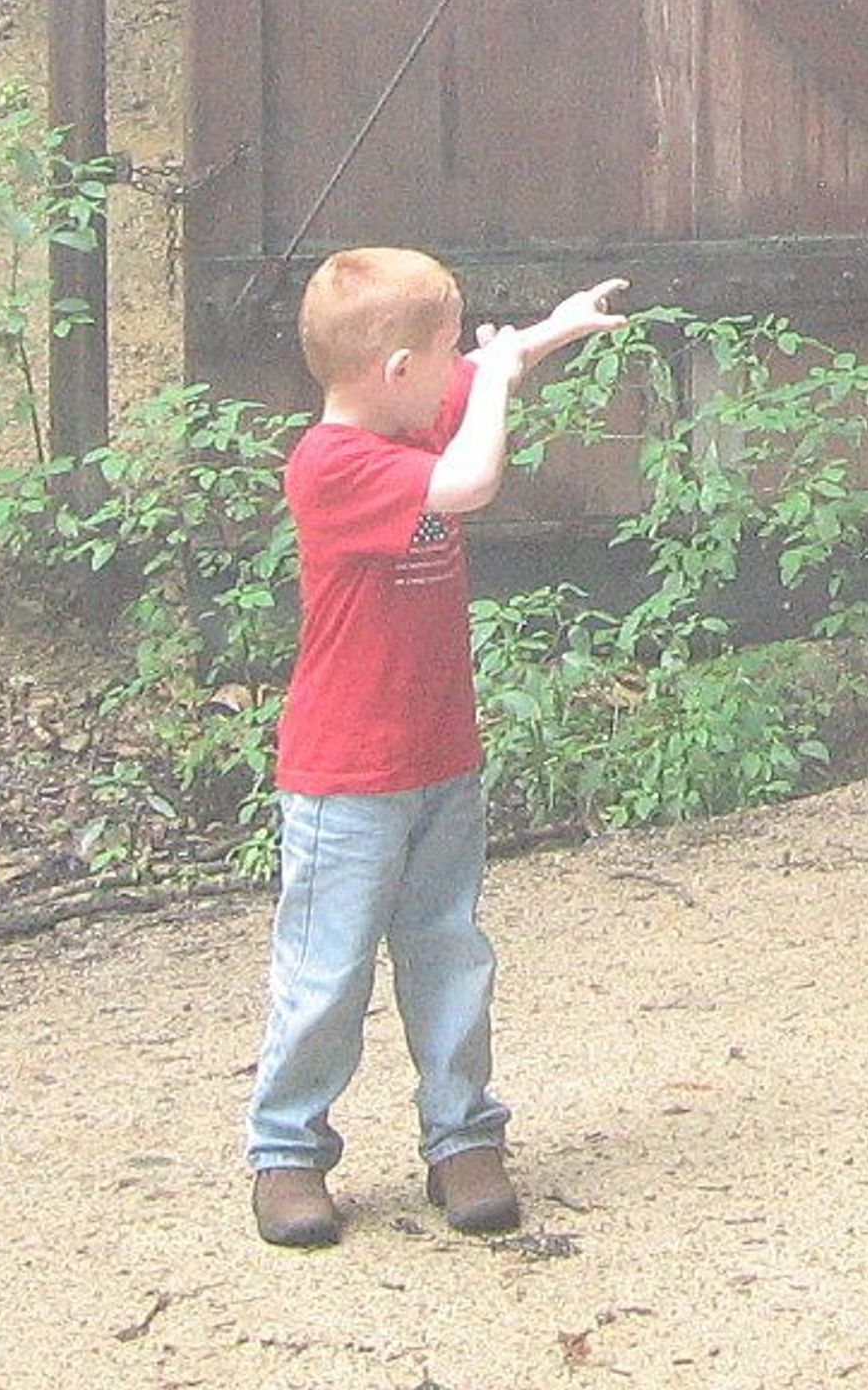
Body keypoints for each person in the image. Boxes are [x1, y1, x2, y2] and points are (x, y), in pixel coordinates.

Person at [245, 246, 627, 1250]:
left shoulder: (411, 407)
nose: (464, 363)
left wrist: (549, 331)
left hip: (439, 757)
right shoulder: (333, 465)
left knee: (449, 951)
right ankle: (287, 1153)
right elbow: (469, 481)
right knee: (326, 973)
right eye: (449, 347)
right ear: (395, 370)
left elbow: (469, 385)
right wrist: (497, 379)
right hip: (345, 779)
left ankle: (463, 1138)